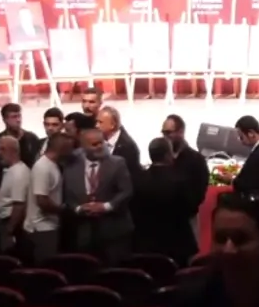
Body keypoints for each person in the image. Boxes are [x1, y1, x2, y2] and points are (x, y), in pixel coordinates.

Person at [65, 127, 135, 263]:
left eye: (101, 142)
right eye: (94, 144)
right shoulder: (71, 166)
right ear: (83, 147)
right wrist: (79, 209)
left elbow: (126, 191)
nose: (99, 147)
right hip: (84, 231)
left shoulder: (118, 163)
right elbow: (67, 195)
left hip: (114, 231)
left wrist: (106, 207)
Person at [131, 137, 198, 267]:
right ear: (168, 155)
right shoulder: (180, 182)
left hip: (144, 244)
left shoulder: (137, 180)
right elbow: (189, 209)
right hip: (176, 245)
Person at [24, 132, 74, 263]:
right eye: (70, 148)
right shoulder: (43, 167)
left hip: (49, 226)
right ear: (62, 148)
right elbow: (42, 200)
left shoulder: (52, 165)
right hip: (42, 228)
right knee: (45, 265)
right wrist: (64, 210)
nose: (72, 152)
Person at [163, 114, 209, 243]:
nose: (165, 136)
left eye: (169, 132)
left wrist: (185, 208)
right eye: (163, 132)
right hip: (164, 221)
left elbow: (200, 190)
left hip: (187, 219)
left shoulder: (196, 159)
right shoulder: (162, 157)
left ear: (181, 132)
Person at [0, 135, 30, 254]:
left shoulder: (19, 173)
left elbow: (19, 205)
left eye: (3, 149)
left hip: (12, 225)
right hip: (6, 222)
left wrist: (9, 230)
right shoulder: (11, 170)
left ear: (14, 151)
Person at [0, 103, 41, 169]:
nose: (18, 120)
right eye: (14, 117)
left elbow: (38, 162)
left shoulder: (32, 139)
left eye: (19, 116)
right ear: (5, 120)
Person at [98, 105, 142, 170]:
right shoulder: (98, 139)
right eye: (97, 121)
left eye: (100, 122)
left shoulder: (128, 148)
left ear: (112, 125)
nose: (96, 125)